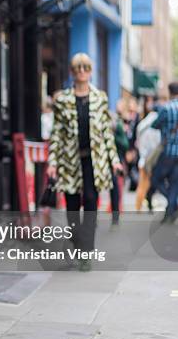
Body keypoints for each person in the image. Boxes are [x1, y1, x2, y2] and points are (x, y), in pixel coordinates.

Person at [46, 53, 123, 271]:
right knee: (72, 208)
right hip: (70, 162)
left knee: (90, 202)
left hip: (93, 162)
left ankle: (86, 253)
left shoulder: (100, 98)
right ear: (72, 72)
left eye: (85, 67)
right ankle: (77, 243)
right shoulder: (62, 100)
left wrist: (114, 161)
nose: (81, 71)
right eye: (77, 68)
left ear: (90, 71)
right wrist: (53, 162)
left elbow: (107, 133)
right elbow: (57, 134)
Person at [151, 82, 178, 222]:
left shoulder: (166, 108)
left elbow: (155, 125)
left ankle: (171, 207)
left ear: (170, 92)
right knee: (174, 182)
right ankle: (171, 209)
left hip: (168, 151)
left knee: (156, 179)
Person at [135, 96, 161, 211]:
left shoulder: (142, 124)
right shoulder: (157, 124)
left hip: (143, 158)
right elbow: (158, 143)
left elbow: (137, 141)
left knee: (142, 185)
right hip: (152, 159)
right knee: (147, 185)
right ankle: (142, 207)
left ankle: (138, 208)